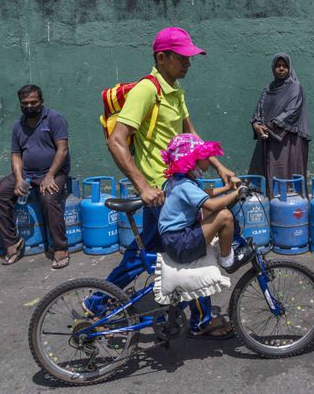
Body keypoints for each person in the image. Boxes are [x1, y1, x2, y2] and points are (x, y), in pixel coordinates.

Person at [96, 26, 236, 340]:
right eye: (182, 57)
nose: (189, 62)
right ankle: (201, 319)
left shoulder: (175, 90)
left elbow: (191, 136)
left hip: (173, 186)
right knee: (192, 250)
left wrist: (219, 165)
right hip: (162, 190)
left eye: (190, 56)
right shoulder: (147, 91)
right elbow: (117, 141)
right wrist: (143, 187)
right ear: (162, 58)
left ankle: (97, 300)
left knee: (146, 251)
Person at [0, 84, 71, 268]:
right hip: (28, 174)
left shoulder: (55, 119)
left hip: (54, 172)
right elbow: (16, 154)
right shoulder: (18, 126)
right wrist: (19, 179)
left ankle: (60, 247)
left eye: (33, 102)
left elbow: (63, 149)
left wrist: (50, 175)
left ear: (41, 101)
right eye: (24, 103)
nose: (29, 106)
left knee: (49, 198)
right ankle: (13, 243)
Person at [158, 134, 254, 271]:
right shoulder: (184, 185)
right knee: (225, 215)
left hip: (175, 240)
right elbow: (212, 204)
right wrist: (237, 193)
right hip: (180, 243)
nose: (209, 159)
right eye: (205, 156)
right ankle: (227, 261)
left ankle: (228, 244)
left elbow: (203, 195)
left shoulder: (179, 181)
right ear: (193, 160)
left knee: (213, 210)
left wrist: (227, 188)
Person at [250, 53, 310, 197]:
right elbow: (258, 110)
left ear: (289, 68)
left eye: (284, 66)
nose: (281, 69)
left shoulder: (295, 87)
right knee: (273, 176)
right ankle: (275, 208)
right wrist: (256, 125)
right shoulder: (268, 89)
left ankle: (296, 212)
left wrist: (269, 126)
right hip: (270, 140)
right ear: (273, 68)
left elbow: (292, 111)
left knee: (290, 176)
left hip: (290, 141)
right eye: (278, 66)